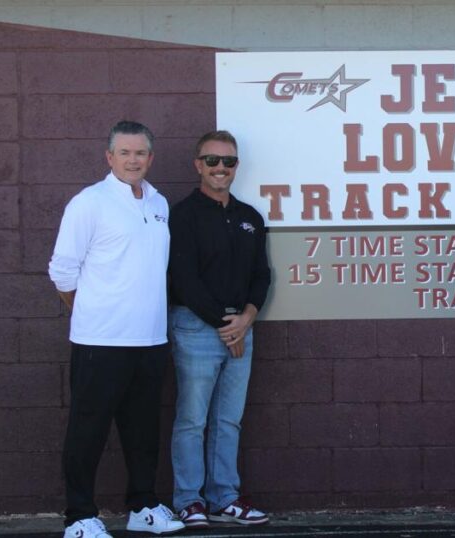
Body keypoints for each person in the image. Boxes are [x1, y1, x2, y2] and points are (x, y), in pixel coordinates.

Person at [49, 121, 185, 538]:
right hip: (100, 341)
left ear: (150, 158)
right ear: (109, 157)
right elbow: (63, 272)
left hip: (149, 340)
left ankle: (142, 507)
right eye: (124, 153)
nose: (133, 160)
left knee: (144, 431)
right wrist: (91, 310)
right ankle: (79, 517)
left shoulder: (159, 202)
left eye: (140, 153)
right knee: (88, 430)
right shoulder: (89, 203)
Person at [168, 130, 271, 528]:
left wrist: (245, 319)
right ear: (198, 165)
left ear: (236, 166)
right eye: (212, 161)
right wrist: (224, 325)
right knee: (193, 419)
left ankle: (224, 497)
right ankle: (189, 500)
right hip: (196, 327)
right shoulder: (182, 215)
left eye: (228, 162)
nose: (220, 169)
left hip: (240, 329)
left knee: (229, 419)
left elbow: (261, 276)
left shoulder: (250, 217)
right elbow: (183, 278)